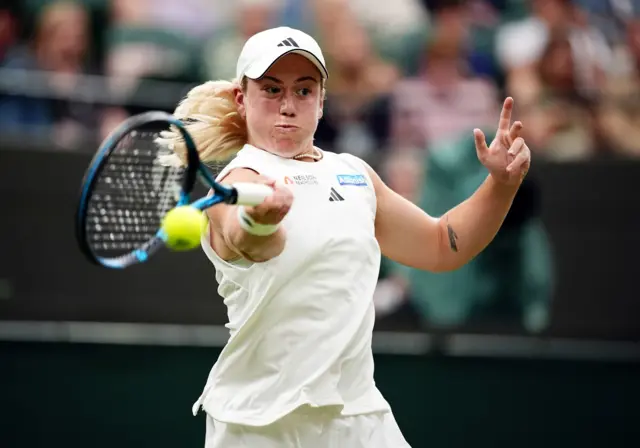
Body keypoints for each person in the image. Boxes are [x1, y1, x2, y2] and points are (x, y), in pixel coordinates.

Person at [165, 26, 531, 448]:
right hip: (258, 427)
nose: (287, 105)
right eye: (271, 89)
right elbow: (249, 239)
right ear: (241, 99)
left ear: (322, 101)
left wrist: (501, 185)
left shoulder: (354, 175)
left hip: (358, 418)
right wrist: (263, 220)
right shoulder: (236, 182)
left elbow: (441, 245)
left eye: (304, 91)